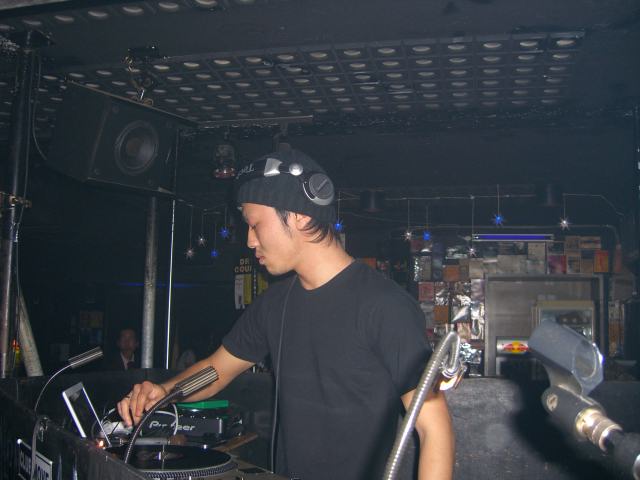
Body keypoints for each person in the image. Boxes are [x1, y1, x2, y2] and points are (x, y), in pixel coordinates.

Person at [117, 149, 454, 479]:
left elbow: (434, 428)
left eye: (255, 225)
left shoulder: (385, 306)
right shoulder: (274, 303)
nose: (249, 241)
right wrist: (164, 393)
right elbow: (216, 370)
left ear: (299, 215)